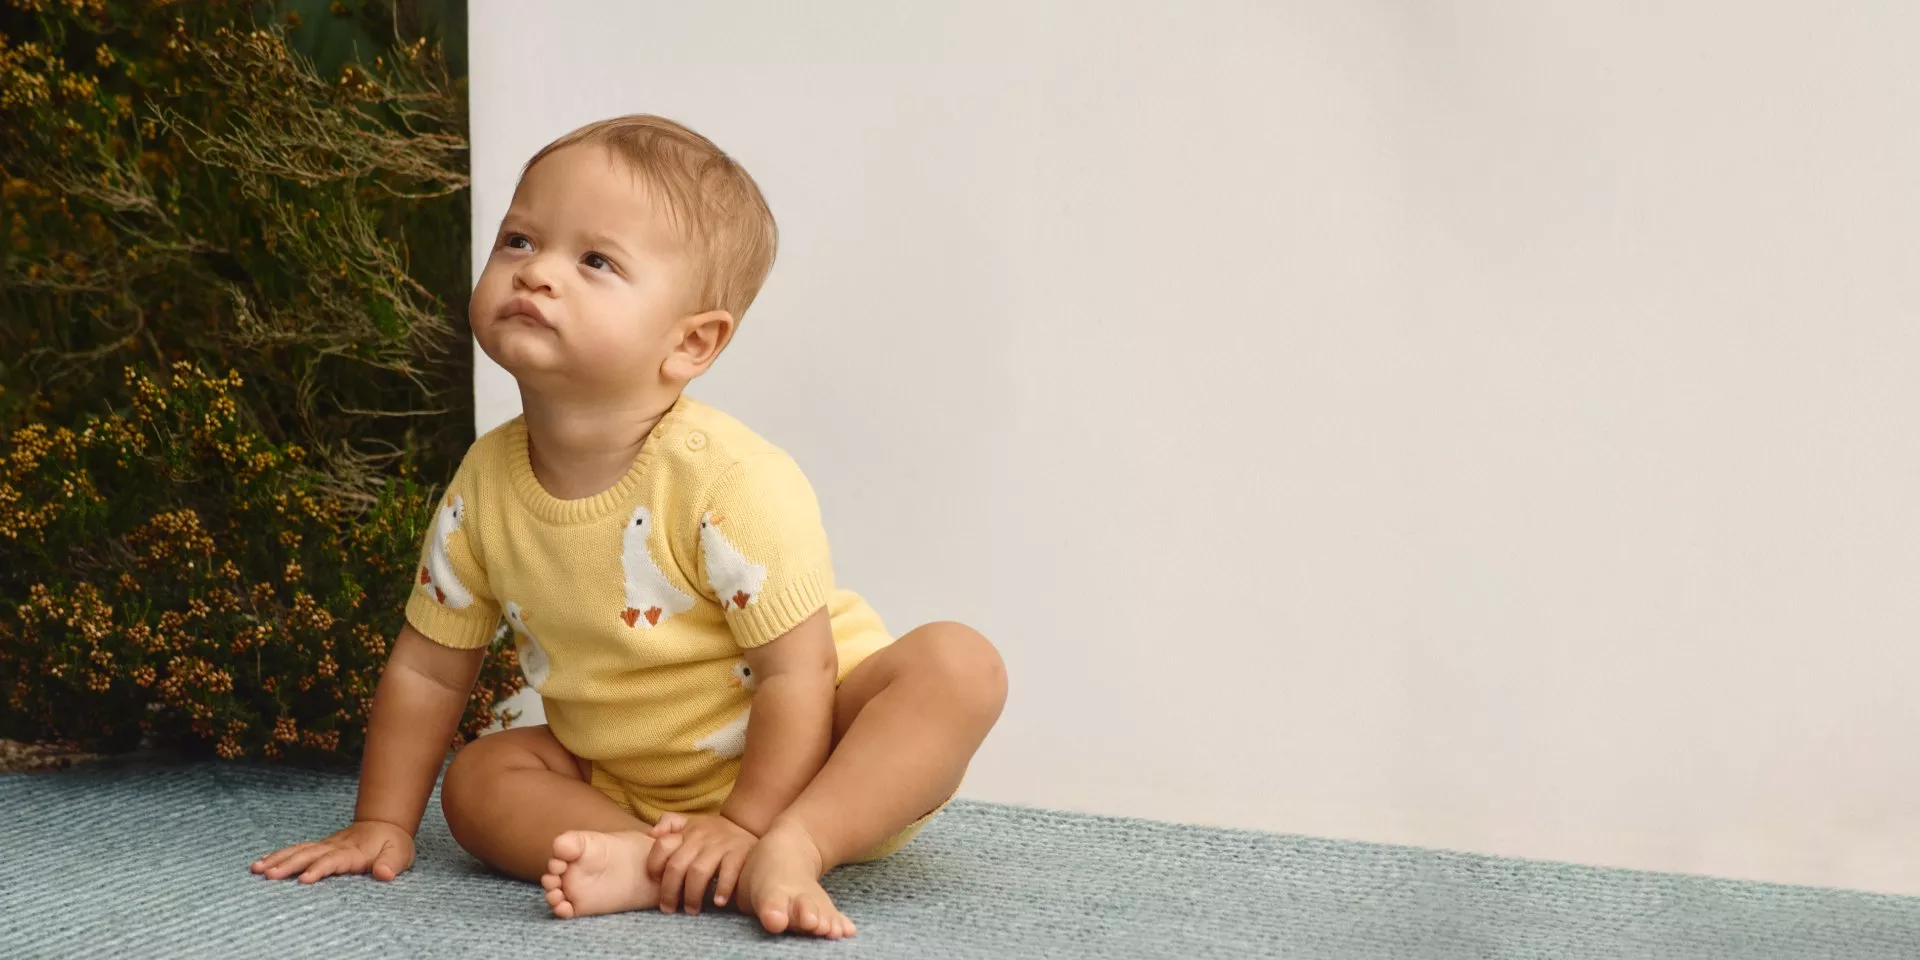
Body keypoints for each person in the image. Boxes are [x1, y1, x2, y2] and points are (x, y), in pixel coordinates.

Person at [249, 115, 1008, 940]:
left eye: (595, 261)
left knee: (959, 665)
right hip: (629, 780)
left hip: (822, 758)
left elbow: (799, 674)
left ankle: (794, 848)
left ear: (690, 343)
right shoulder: (483, 486)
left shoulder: (726, 479)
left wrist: (755, 822)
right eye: (518, 240)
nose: (537, 273)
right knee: (479, 779)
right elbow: (430, 673)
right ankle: (651, 861)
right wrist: (383, 821)